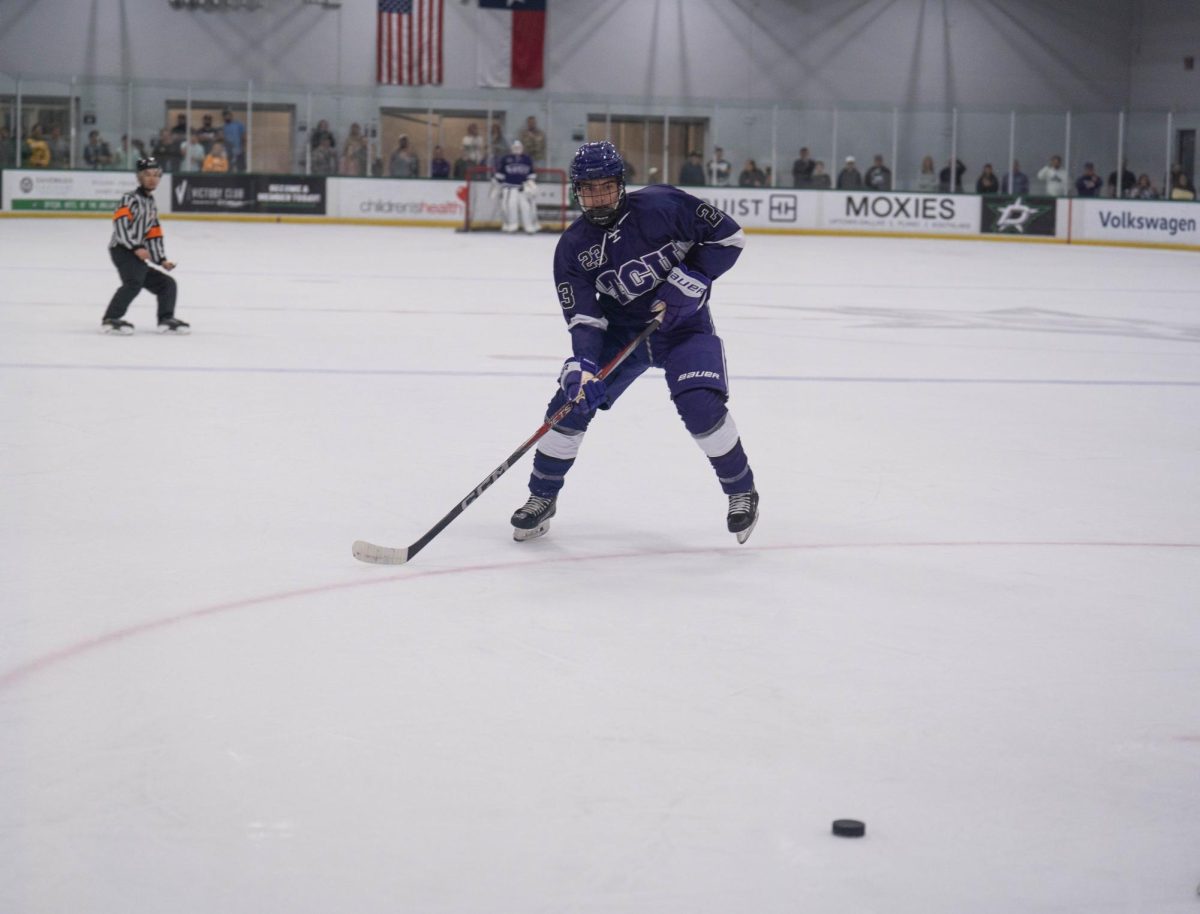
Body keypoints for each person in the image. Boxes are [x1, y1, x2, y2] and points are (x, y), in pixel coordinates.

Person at [509, 141, 759, 545]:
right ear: (577, 191)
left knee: (699, 405)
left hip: (683, 327)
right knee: (569, 405)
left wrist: (692, 280)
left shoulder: (664, 206)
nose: (598, 197)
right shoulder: (573, 248)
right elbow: (586, 319)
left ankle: (741, 491)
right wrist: (585, 366)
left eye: (605, 187)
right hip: (622, 335)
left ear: (621, 184)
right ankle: (542, 498)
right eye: (588, 190)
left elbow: (728, 238)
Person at [101, 157, 188, 335]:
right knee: (134, 282)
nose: (152, 178)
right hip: (123, 249)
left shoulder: (151, 203)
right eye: (147, 174)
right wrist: (135, 247)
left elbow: (154, 233)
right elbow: (120, 225)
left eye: (156, 175)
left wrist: (161, 259)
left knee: (167, 284)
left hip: (136, 252)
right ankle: (110, 318)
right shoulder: (129, 199)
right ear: (139, 177)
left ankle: (165, 319)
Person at [493, 139, 539, 234]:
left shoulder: (527, 159)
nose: (517, 149)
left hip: (523, 189)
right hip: (509, 188)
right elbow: (500, 175)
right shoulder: (505, 159)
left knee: (526, 208)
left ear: (522, 148)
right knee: (510, 207)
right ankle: (511, 225)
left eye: (519, 147)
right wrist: (497, 186)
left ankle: (529, 226)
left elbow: (531, 175)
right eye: (515, 147)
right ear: (512, 148)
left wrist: (530, 186)